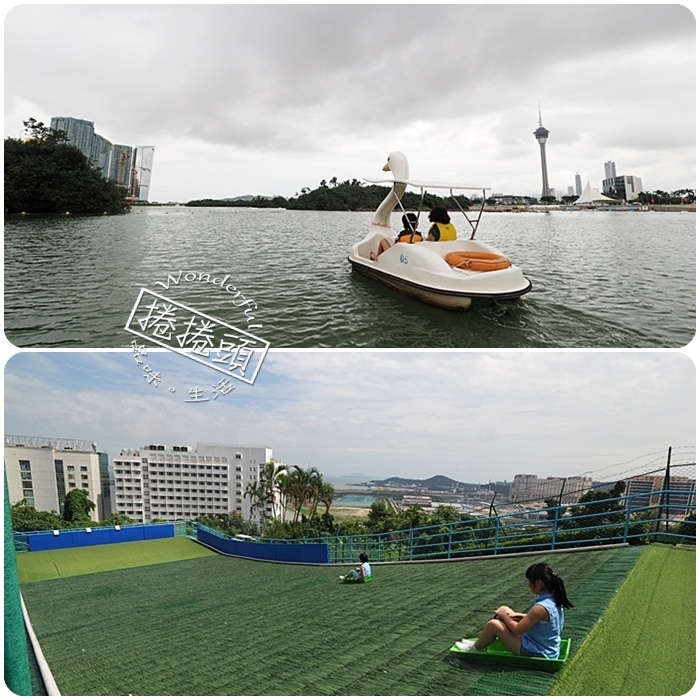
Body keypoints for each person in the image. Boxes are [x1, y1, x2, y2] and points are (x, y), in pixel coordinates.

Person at [454, 562, 574, 658]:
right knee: (504, 608)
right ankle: (480, 642)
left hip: (538, 651)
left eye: (529, 581)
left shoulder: (540, 608)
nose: (528, 584)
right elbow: (537, 620)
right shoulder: (553, 599)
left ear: (538, 583)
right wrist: (512, 614)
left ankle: (476, 648)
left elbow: (517, 630)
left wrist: (505, 617)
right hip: (542, 645)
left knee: (493, 624)